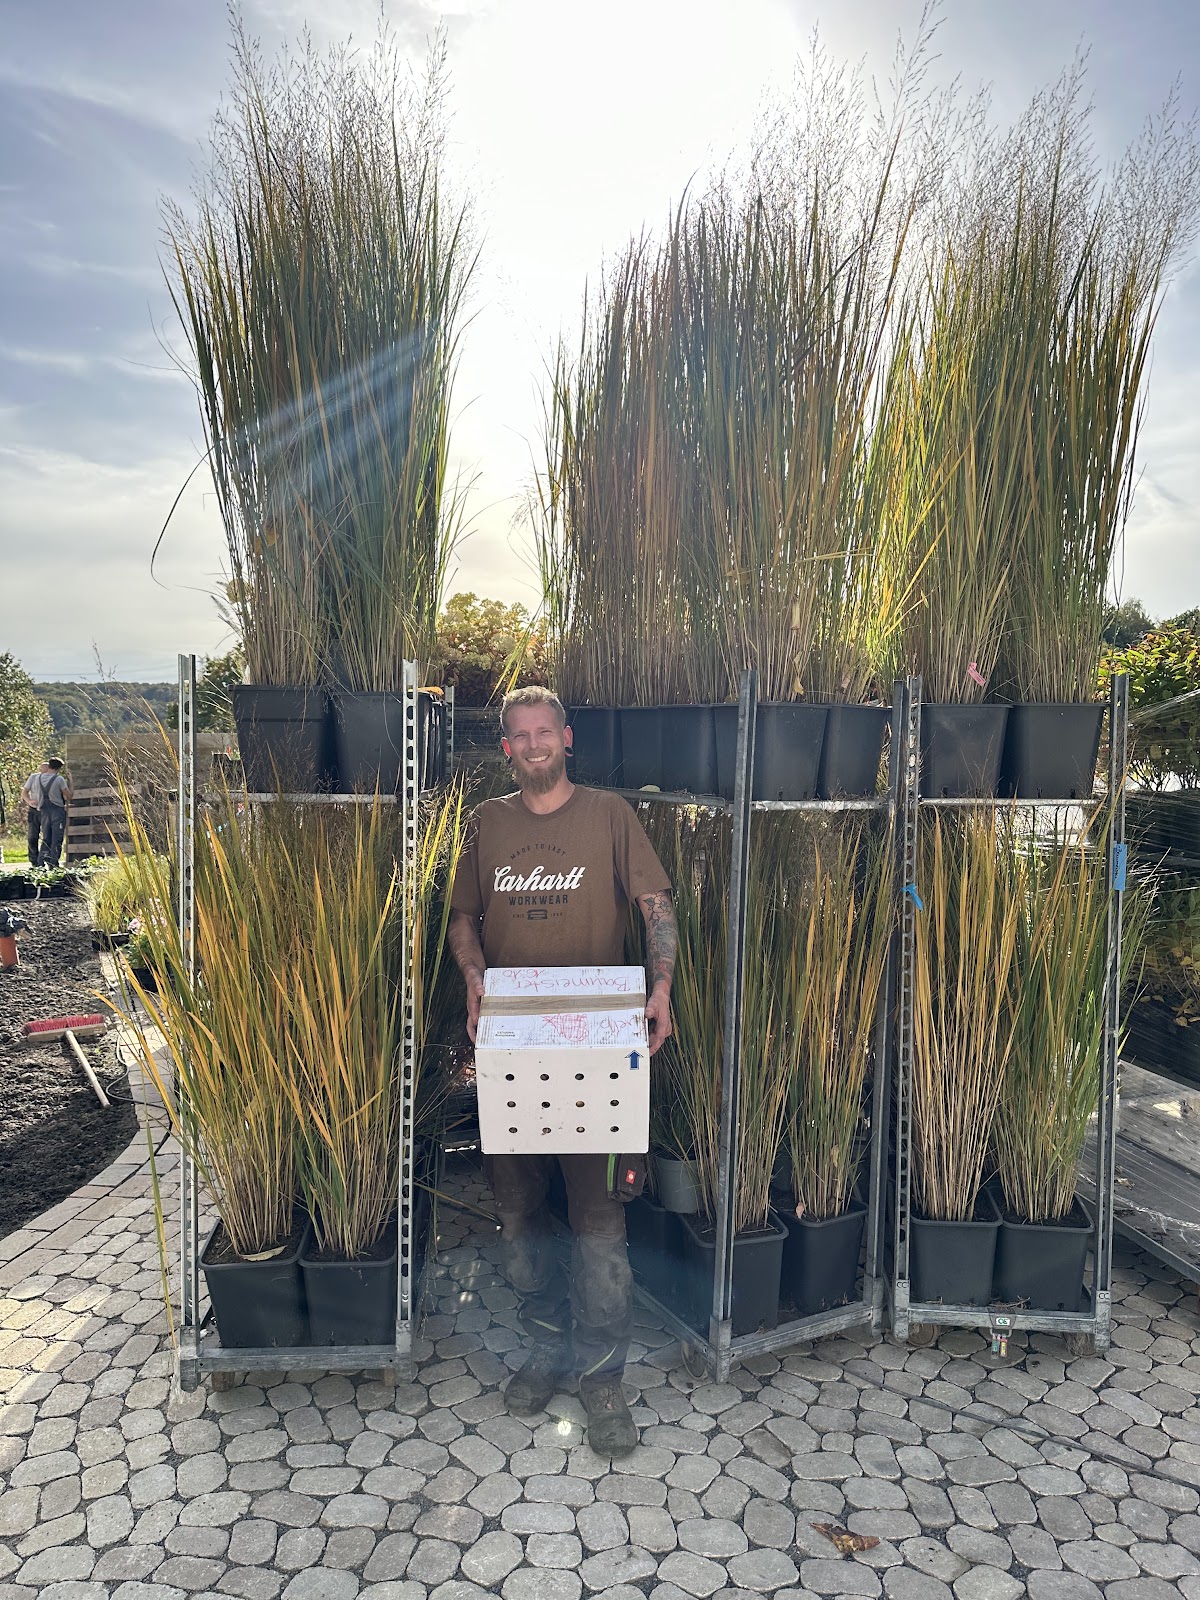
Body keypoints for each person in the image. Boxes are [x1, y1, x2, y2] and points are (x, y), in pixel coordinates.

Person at [449, 686, 678, 1458]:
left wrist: (660, 990)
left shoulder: (609, 815)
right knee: (519, 1219)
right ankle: (545, 1348)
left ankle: (602, 1377)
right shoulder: (487, 823)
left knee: (601, 1223)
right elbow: (462, 919)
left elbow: (655, 907)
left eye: (545, 731)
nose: (534, 743)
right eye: (520, 734)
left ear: (567, 739)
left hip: (599, 1049)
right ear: (506, 748)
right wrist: (474, 976)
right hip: (512, 1048)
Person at [20, 757, 72, 868]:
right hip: (53, 810)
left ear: (49, 766)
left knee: (46, 837)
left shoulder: (38, 778)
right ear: (58, 768)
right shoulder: (58, 779)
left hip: (43, 810)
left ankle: (41, 861)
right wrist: (70, 781)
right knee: (56, 837)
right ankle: (51, 863)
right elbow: (69, 795)